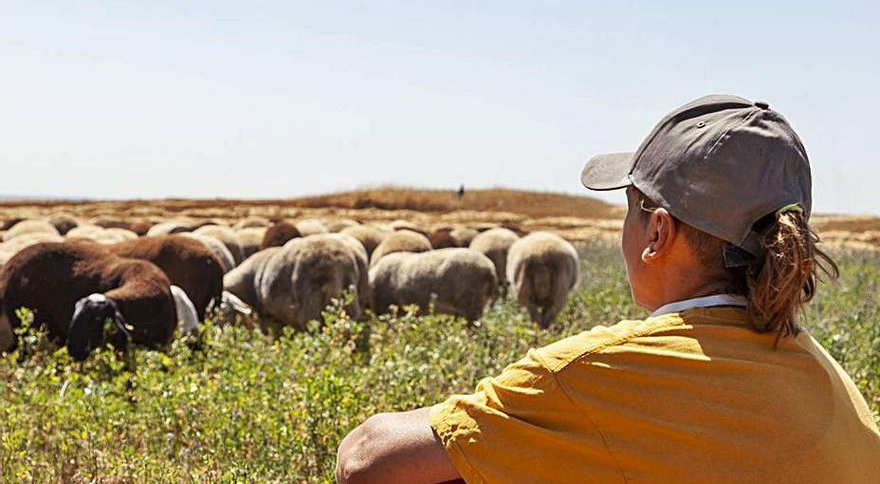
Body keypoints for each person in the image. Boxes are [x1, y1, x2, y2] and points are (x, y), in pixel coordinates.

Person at [335, 95, 880, 483]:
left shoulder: (595, 375)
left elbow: (365, 461)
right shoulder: (828, 376)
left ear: (658, 233)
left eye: (630, 211)